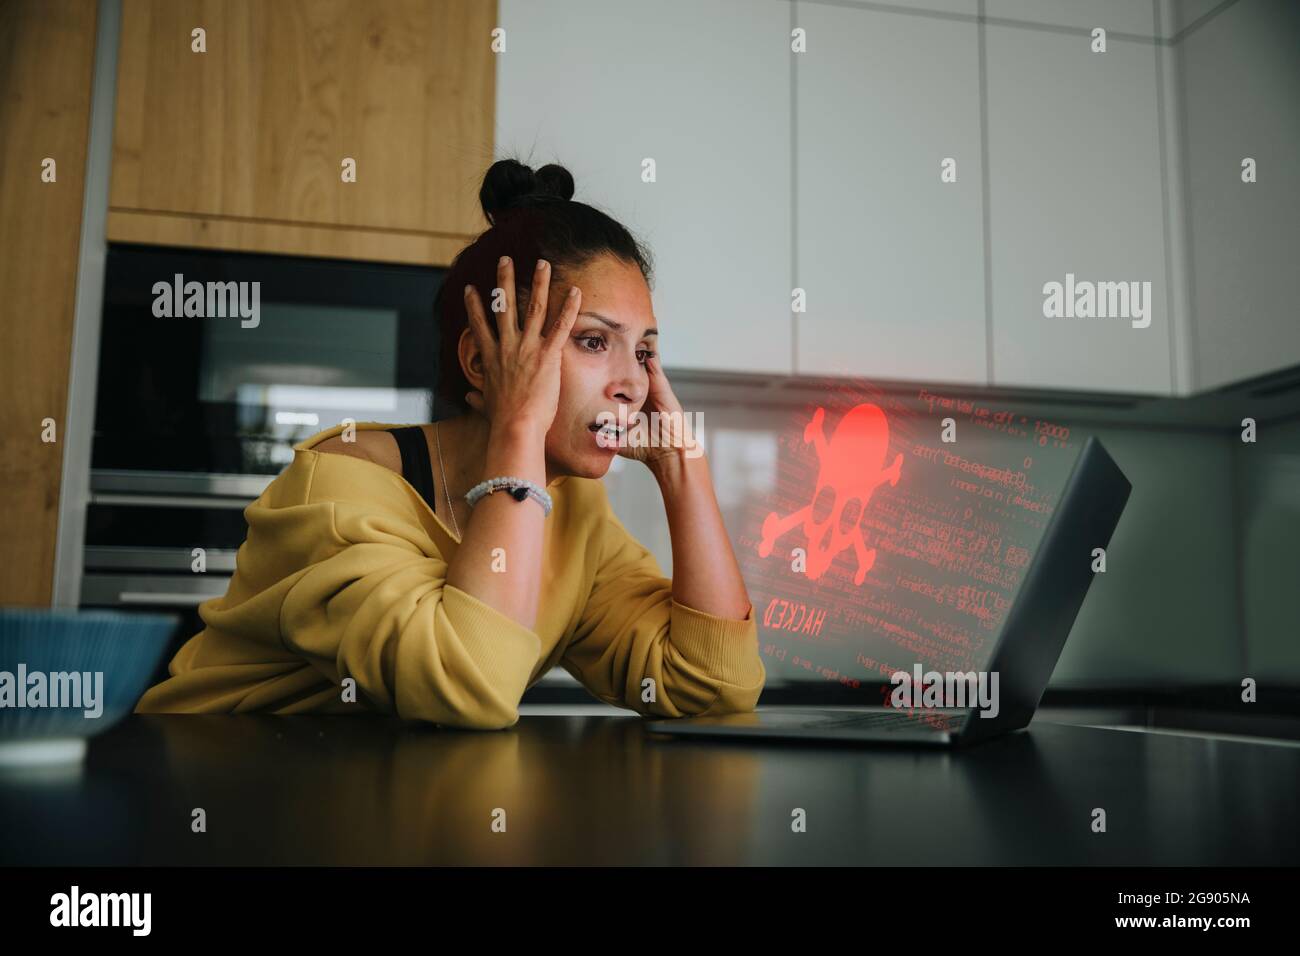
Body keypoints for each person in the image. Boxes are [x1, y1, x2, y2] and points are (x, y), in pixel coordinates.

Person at [134, 158, 765, 729]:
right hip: (217, 791)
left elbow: (714, 689)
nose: (634, 383)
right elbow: (468, 683)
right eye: (595, 342)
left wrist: (687, 471)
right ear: (480, 361)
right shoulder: (336, 482)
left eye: (646, 351)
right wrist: (519, 426)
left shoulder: (574, 519)